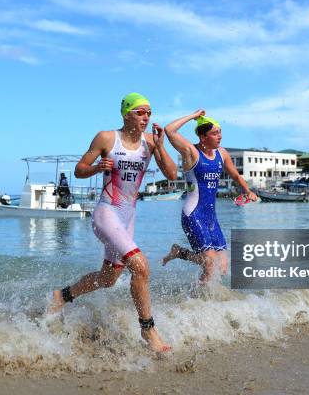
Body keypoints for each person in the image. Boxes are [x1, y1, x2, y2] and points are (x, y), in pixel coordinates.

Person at [50, 93, 177, 353]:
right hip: (106, 215)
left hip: (127, 219)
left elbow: (172, 174)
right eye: (140, 112)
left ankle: (62, 295)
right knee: (140, 267)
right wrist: (96, 168)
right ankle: (148, 330)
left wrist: (161, 146)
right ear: (126, 114)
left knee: (108, 278)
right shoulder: (107, 138)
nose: (146, 117)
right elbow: (79, 169)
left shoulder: (151, 142)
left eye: (149, 113)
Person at [162, 111, 257, 282]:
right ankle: (198, 303)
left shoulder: (222, 153)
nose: (219, 136)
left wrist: (247, 190)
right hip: (193, 214)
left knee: (222, 266)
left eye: (220, 132)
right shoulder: (191, 152)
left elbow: (235, 176)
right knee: (209, 264)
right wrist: (193, 116)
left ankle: (179, 252)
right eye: (214, 133)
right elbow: (169, 130)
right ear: (202, 136)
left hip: (211, 217)